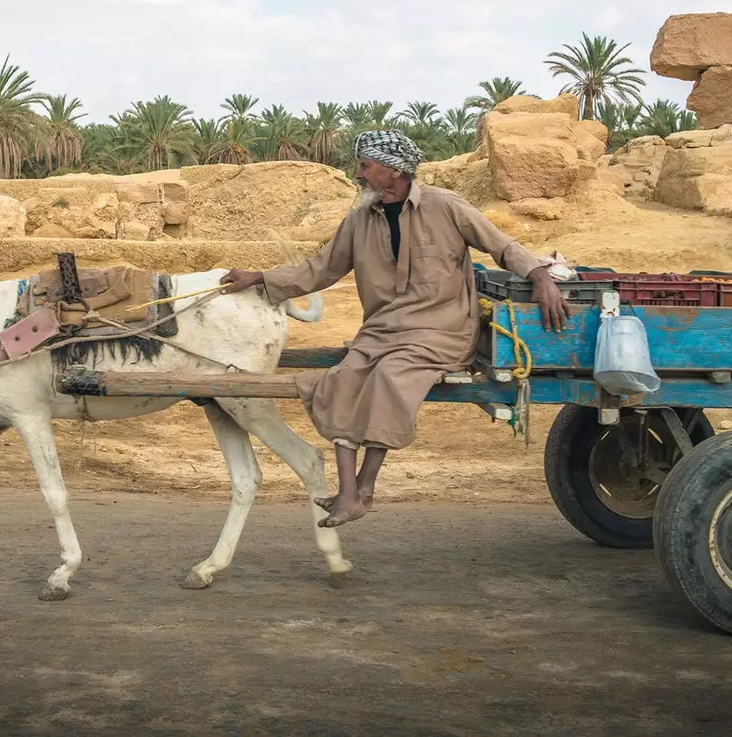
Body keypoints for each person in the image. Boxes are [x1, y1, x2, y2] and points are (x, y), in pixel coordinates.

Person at [220, 128, 569, 528]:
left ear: (392, 170)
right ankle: (350, 494)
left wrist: (540, 276)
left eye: (365, 166)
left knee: (388, 376)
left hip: (442, 330)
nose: (358, 174)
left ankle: (364, 487)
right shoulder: (357, 221)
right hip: (383, 330)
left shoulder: (445, 206)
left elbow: (501, 245)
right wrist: (261, 277)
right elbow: (321, 269)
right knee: (344, 378)